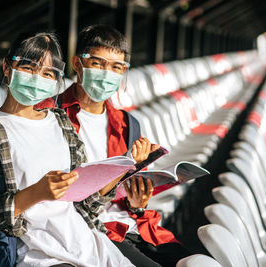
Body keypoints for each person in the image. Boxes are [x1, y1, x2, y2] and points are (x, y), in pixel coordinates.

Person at [0, 32, 134, 266]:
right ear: (7, 67)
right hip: (38, 255)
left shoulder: (61, 122)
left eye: (48, 73)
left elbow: (85, 205)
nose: (37, 78)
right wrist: (35, 194)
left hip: (87, 242)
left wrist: (122, 169)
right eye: (29, 68)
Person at [36, 25, 191, 267]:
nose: (107, 73)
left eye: (117, 67)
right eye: (98, 64)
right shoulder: (47, 114)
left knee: (193, 261)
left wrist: (136, 201)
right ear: (77, 64)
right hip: (86, 229)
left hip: (130, 223)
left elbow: (123, 193)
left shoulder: (128, 124)